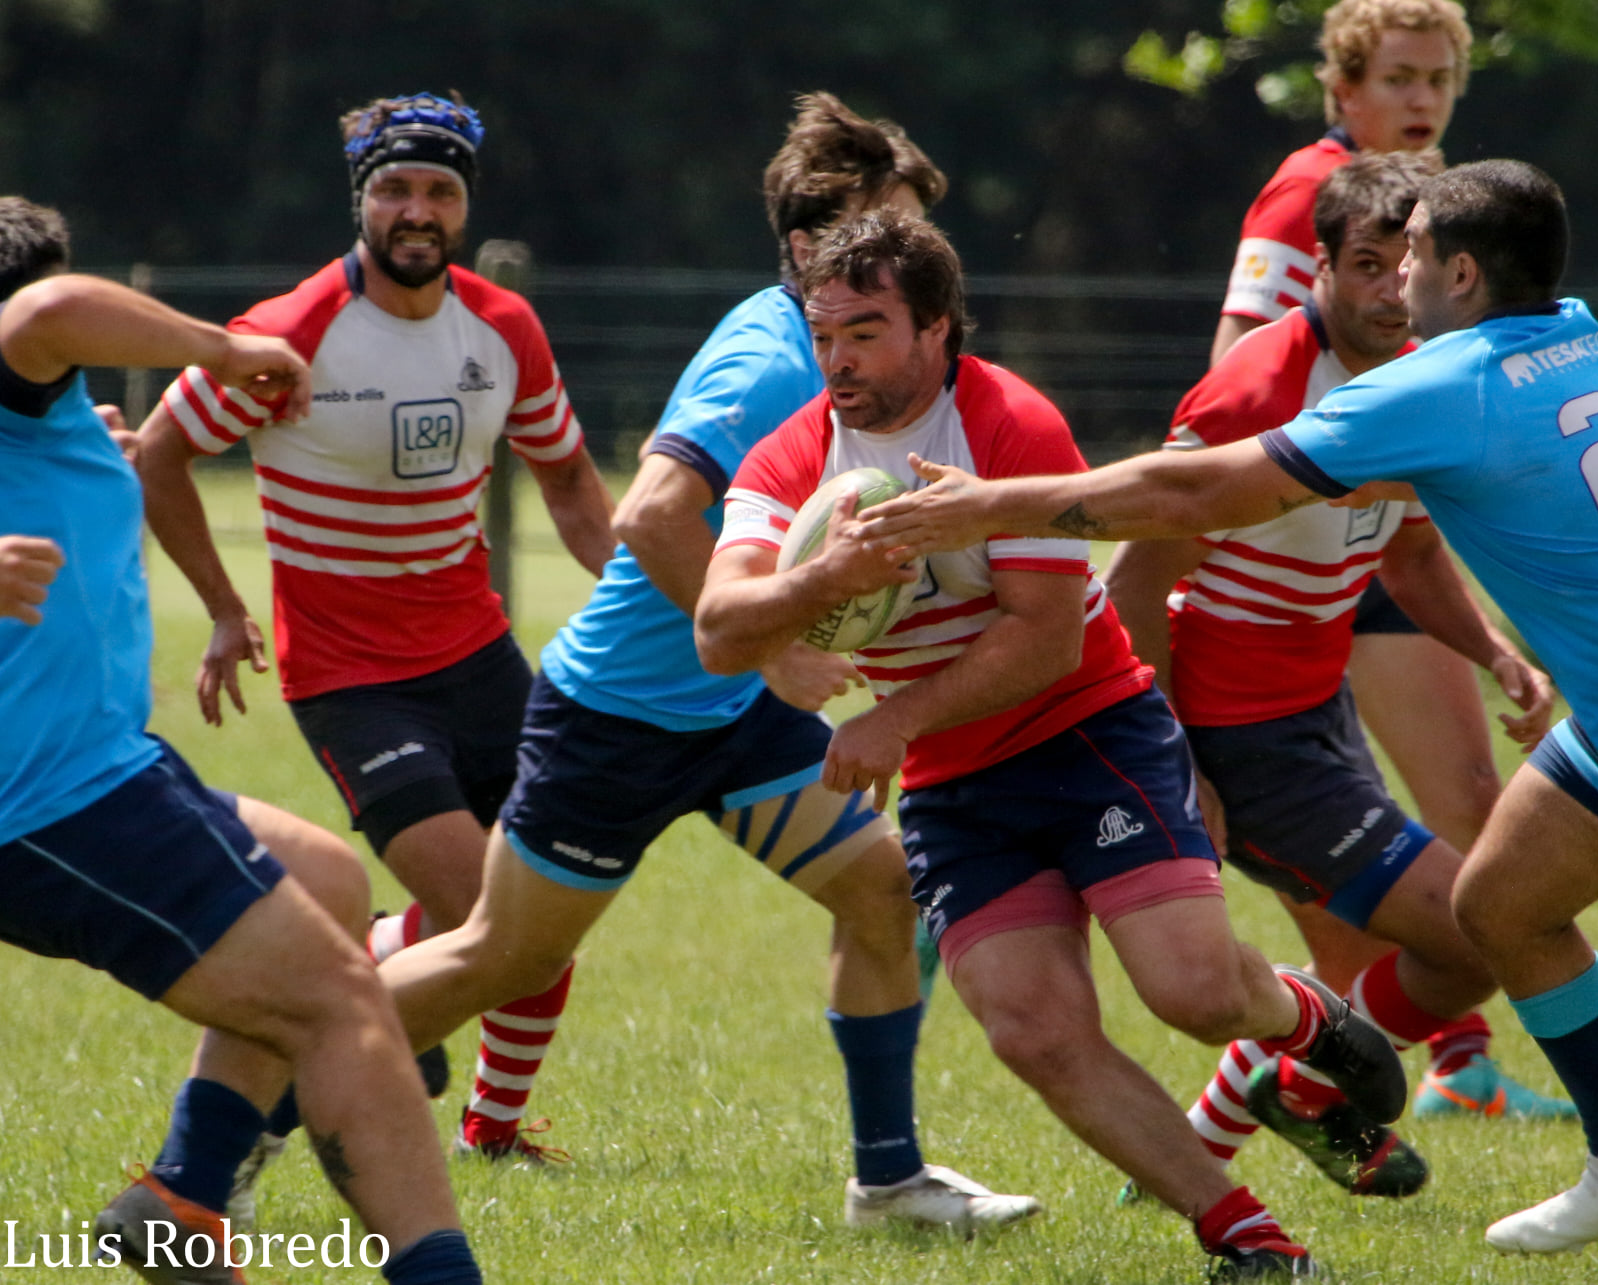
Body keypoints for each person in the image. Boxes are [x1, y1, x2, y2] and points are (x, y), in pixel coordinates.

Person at [859, 158, 1598, 1255]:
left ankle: (1300, 1089)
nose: (1398, 276)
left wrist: (986, 506)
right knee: (1500, 907)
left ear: (1462, 270)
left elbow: (1193, 493)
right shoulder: (1584, 334)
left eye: (1413, 254)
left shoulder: (1442, 385)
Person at [695, 209, 1408, 1281]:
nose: (838, 357)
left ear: (936, 327)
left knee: (1193, 992)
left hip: (1087, 735)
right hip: (957, 785)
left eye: (868, 330)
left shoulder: (1006, 422)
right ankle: (1250, 1241)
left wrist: (890, 718)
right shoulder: (792, 454)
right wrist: (825, 581)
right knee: (1032, 1030)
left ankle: (1303, 1015)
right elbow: (719, 628)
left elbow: (1044, 636)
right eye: (825, 331)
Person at [372, 93, 1035, 1232]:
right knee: (499, 958)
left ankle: (888, 1182)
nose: (919, 263)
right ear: (804, 251)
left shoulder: (849, 353)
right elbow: (648, 517)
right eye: (888, 234)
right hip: (621, 717)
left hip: (731, 719)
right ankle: (249, 1091)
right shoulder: (773, 363)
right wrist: (774, 651)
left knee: (882, 897)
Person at [0, 196, 483, 1285]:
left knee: (323, 882)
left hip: (102, 770)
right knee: (341, 1001)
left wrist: (92, 456)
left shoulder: (51, 417)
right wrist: (226, 348)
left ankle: (182, 1194)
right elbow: (50, 306)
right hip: (51, 802)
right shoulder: (26, 355)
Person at [135, 92, 616, 1164]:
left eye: (438, 190)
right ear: (361, 201)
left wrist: (677, 597)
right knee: (480, 905)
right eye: (394, 188)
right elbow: (160, 456)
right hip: (351, 680)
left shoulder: (504, 326)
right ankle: (324, 1027)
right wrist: (222, 606)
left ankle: (488, 1123)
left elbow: (577, 488)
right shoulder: (289, 332)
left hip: (481, 657)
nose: (416, 209)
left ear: (463, 208)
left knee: (551, 904)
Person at [1107, 153, 1567, 1204]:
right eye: (1362, 263)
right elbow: (1134, 585)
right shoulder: (1255, 395)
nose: (1382, 291)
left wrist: (1494, 650)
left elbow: (1406, 553)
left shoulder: (1410, 382)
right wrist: (1180, 766)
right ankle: (1281, 1094)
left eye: (1399, 265)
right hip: (1241, 739)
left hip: (1319, 715)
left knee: (1407, 961)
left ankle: (1238, 1113)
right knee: (1474, 928)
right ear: (1318, 265)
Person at [1210, 0, 1545, 1124]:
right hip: (1307, 537)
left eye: (1439, 79)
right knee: (1376, 833)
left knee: (1449, 808)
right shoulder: (1307, 187)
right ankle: (1382, 1059)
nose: (1421, 101)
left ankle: (1427, 1055)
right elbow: (1238, 374)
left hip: (1379, 536)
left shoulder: (1447, 200)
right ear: (1342, 93)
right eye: (1398, 78)